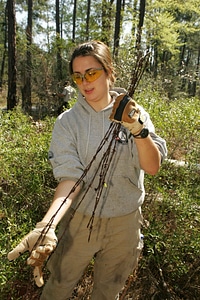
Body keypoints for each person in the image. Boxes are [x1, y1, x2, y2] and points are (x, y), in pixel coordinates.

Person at [8, 40, 167, 300]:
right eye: (77, 76)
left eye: (92, 73)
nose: (85, 82)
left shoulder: (136, 112)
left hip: (124, 222)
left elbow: (152, 167)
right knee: (58, 286)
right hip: (79, 221)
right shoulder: (67, 123)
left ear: (109, 72)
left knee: (108, 291)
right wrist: (48, 224)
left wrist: (138, 130)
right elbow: (71, 177)